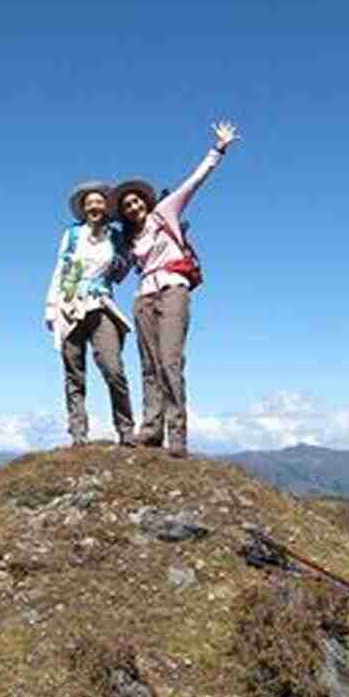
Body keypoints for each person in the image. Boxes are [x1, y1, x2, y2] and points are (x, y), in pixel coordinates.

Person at [113, 121, 240, 458]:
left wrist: (219, 149)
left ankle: (177, 434)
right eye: (127, 206)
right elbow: (118, 272)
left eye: (137, 202)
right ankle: (151, 430)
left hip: (172, 289)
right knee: (149, 364)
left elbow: (195, 181)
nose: (134, 208)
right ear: (124, 214)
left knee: (170, 360)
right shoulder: (129, 240)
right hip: (143, 297)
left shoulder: (164, 212)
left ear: (146, 200)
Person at [44, 181, 136, 447]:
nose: (94, 207)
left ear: (106, 207)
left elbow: (120, 274)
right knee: (74, 372)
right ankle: (78, 434)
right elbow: (61, 269)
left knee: (113, 368)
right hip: (69, 305)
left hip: (101, 303)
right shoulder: (72, 235)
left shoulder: (115, 237)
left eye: (99, 202)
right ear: (83, 210)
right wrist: (51, 307)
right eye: (89, 204)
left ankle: (126, 430)